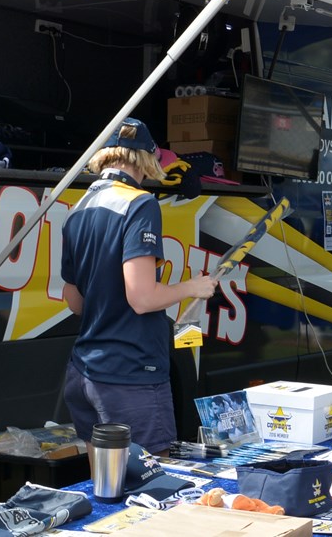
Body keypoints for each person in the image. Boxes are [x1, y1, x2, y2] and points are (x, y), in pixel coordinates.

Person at [60, 118, 218, 453]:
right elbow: (143, 298)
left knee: (105, 479)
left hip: (84, 372)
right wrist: (193, 287)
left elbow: (73, 300)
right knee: (152, 478)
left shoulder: (78, 208)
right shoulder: (140, 203)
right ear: (145, 158)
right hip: (130, 374)